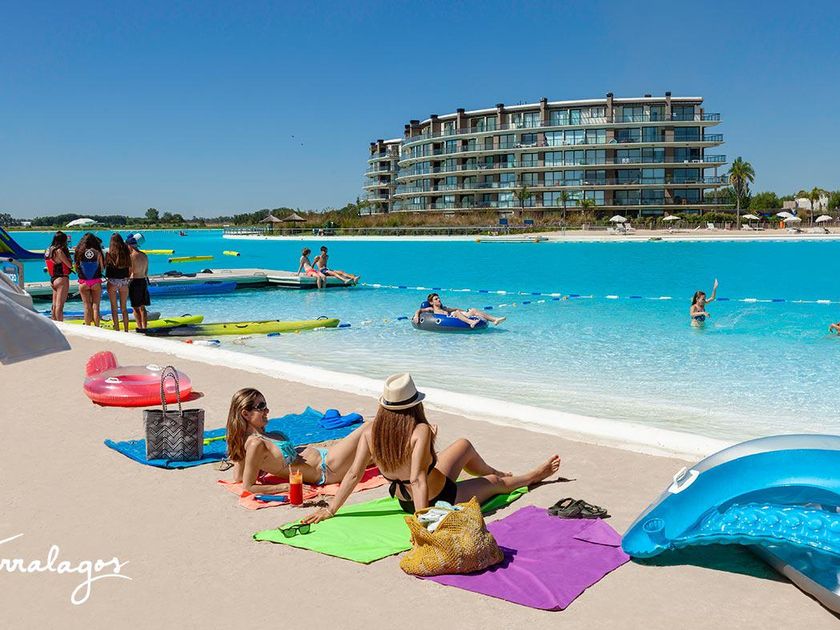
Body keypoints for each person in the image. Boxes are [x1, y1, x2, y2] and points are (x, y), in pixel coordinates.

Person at [303, 373, 560, 524]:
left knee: (463, 445)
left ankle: (496, 471)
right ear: (414, 404)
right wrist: (422, 522)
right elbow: (417, 479)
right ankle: (532, 476)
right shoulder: (420, 431)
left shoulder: (371, 431)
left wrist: (331, 509)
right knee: (495, 484)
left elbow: (353, 474)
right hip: (437, 498)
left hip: (406, 496)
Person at [226, 388, 370, 494]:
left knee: (374, 451)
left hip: (327, 456)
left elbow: (239, 476)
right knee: (370, 426)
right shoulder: (255, 444)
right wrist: (286, 487)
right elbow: (248, 486)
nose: (267, 410)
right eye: (261, 407)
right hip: (327, 467)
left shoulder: (262, 436)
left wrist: (238, 443)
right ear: (245, 414)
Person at [413, 292, 506, 328]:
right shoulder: (431, 309)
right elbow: (419, 311)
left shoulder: (444, 308)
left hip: (458, 317)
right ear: (431, 302)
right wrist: (417, 316)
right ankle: (471, 322)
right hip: (450, 320)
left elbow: (456, 309)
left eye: (439, 298)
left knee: (473, 310)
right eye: (436, 299)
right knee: (456, 313)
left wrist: (466, 311)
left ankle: (495, 319)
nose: (439, 300)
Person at [74, 232, 105, 326]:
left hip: (83, 282)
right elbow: (102, 268)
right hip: (95, 281)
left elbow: (76, 266)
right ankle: (97, 327)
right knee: (96, 306)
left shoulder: (79, 251)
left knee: (86, 306)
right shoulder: (98, 252)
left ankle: (88, 328)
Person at [104, 234, 132, 332]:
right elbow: (130, 268)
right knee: (124, 308)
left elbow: (104, 266)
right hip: (124, 281)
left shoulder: (108, 253)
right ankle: (126, 329)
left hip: (112, 281)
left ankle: (117, 329)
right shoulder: (126, 252)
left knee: (114, 307)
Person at [44, 231, 73, 321]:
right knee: (60, 306)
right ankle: (61, 325)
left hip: (53, 279)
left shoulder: (48, 250)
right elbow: (69, 265)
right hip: (61, 279)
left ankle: (54, 324)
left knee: (54, 305)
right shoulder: (59, 251)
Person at [126, 235, 150, 330]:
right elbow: (146, 272)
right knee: (142, 308)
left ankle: (139, 327)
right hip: (143, 281)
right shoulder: (144, 255)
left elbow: (130, 272)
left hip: (134, 282)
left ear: (129, 246)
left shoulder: (131, 257)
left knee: (135, 307)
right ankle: (145, 327)